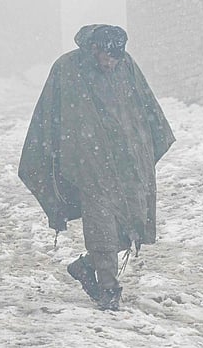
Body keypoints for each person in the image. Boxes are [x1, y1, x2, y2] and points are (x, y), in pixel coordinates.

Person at [18, 24, 175, 311]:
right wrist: (53, 154)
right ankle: (108, 287)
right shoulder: (67, 68)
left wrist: (147, 143)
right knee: (101, 223)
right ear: (94, 49)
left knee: (131, 222)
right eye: (107, 57)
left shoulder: (126, 66)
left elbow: (144, 106)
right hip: (89, 161)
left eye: (117, 58)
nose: (111, 64)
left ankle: (86, 266)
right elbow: (50, 114)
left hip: (127, 161)